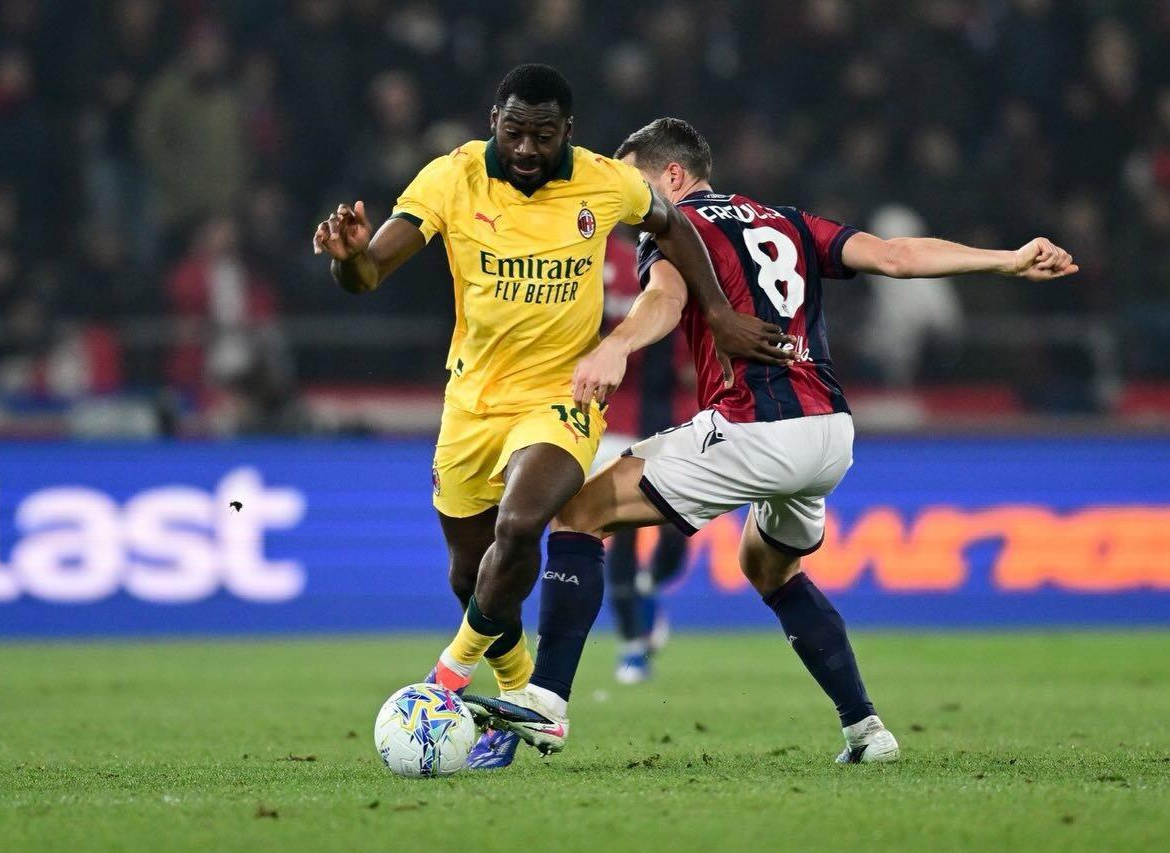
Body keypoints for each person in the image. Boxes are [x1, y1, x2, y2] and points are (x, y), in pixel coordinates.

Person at [465, 117, 1078, 764]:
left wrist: (616, 345)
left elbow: (665, 299)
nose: (626, 199)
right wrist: (1006, 259)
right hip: (829, 432)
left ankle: (546, 704)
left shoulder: (675, 227)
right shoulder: (787, 220)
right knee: (768, 565)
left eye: (634, 181)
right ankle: (866, 731)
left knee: (577, 511)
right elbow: (895, 256)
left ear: (672, 175)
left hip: (754, 426)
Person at [312, 70, 788, 770]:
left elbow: (674, 223)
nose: (527, 149)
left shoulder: (604, 181)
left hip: (562, 396)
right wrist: (350, 260)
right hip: (472, 403)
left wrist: (716, 311)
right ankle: (516, 695)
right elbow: (370, 272)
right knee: (470, 577)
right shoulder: (450, 178)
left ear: (568, 130)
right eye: (514, 132)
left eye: (543, 134)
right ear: (494, 123)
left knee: (520, 523)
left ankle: (445, 680)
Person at [598, 233, 689, 684]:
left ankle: (647, 587)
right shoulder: (557, 262)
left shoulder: (645, 265)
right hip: (600, 421)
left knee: (678, 531)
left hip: (662, 417)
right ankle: (632, 644)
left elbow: (682, 354)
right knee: (618, 532)